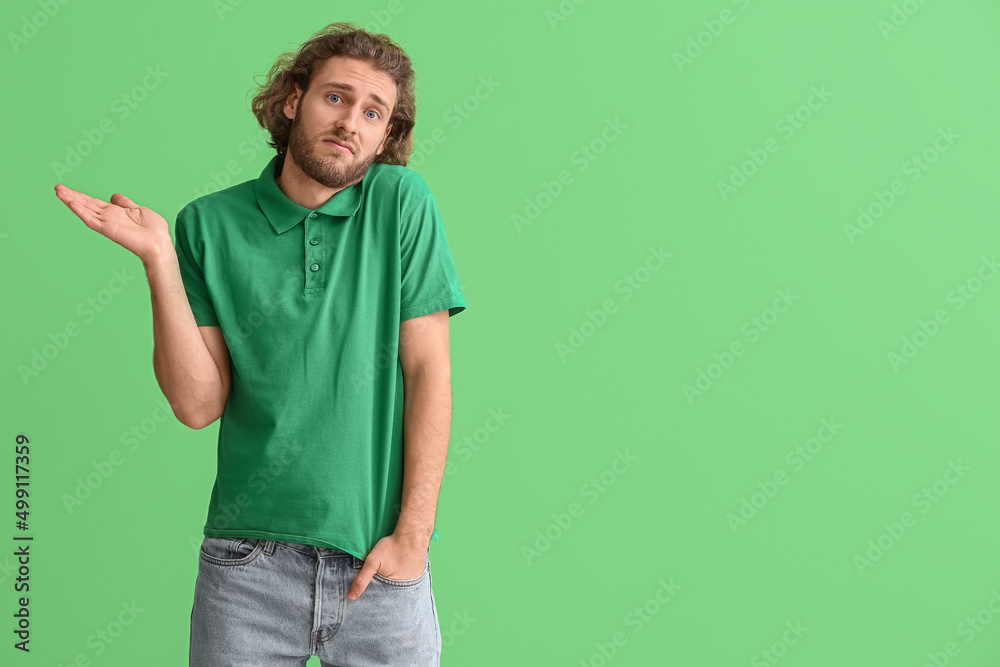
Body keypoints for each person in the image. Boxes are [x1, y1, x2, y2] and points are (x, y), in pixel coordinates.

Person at [54, 22, 466, 666]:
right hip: (246, 571)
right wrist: (160, 261)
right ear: (292, 99)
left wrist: (413, 539)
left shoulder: (402, 205)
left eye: (373, 112)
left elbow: (429, 372)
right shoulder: (208, 226)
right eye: (336, 97)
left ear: (386, 135)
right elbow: (197, 404)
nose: (351, 122)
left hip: (380, 566)